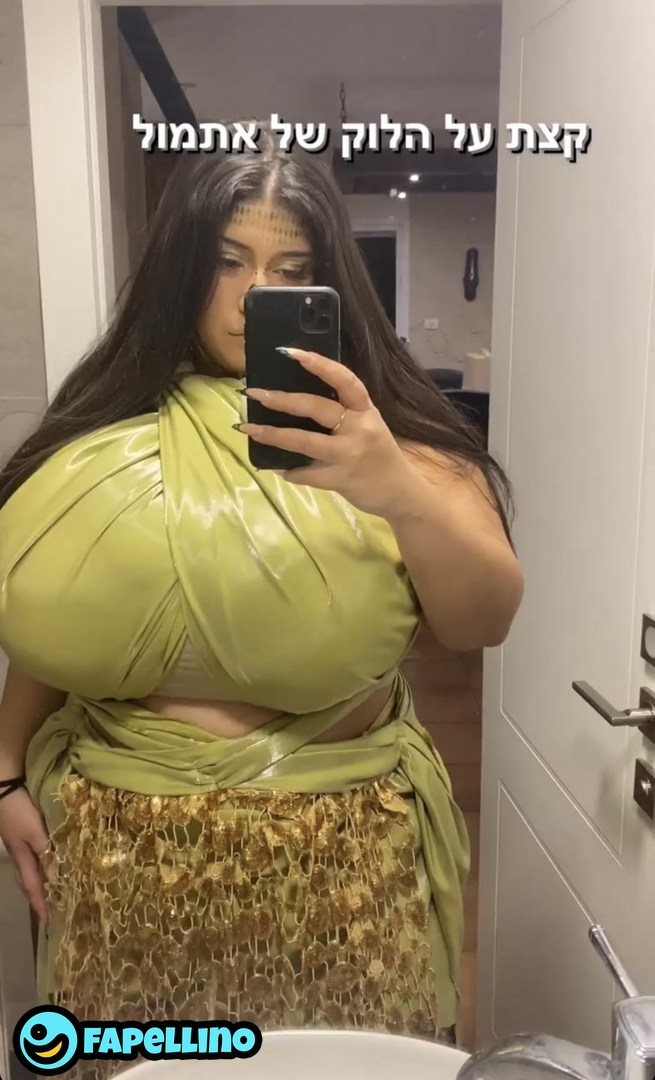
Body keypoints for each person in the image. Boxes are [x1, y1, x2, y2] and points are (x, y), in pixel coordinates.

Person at [0, 125, 523, 1066]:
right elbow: (59, 621)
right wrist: (3, 772)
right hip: (127, 858)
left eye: (292, 270)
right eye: (226, 261)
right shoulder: (103, 438)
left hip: (342, 860)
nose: (253, 296)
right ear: (180, 272)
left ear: (331, 286)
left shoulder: (402, 447)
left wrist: (397, 490)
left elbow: (480, 622)